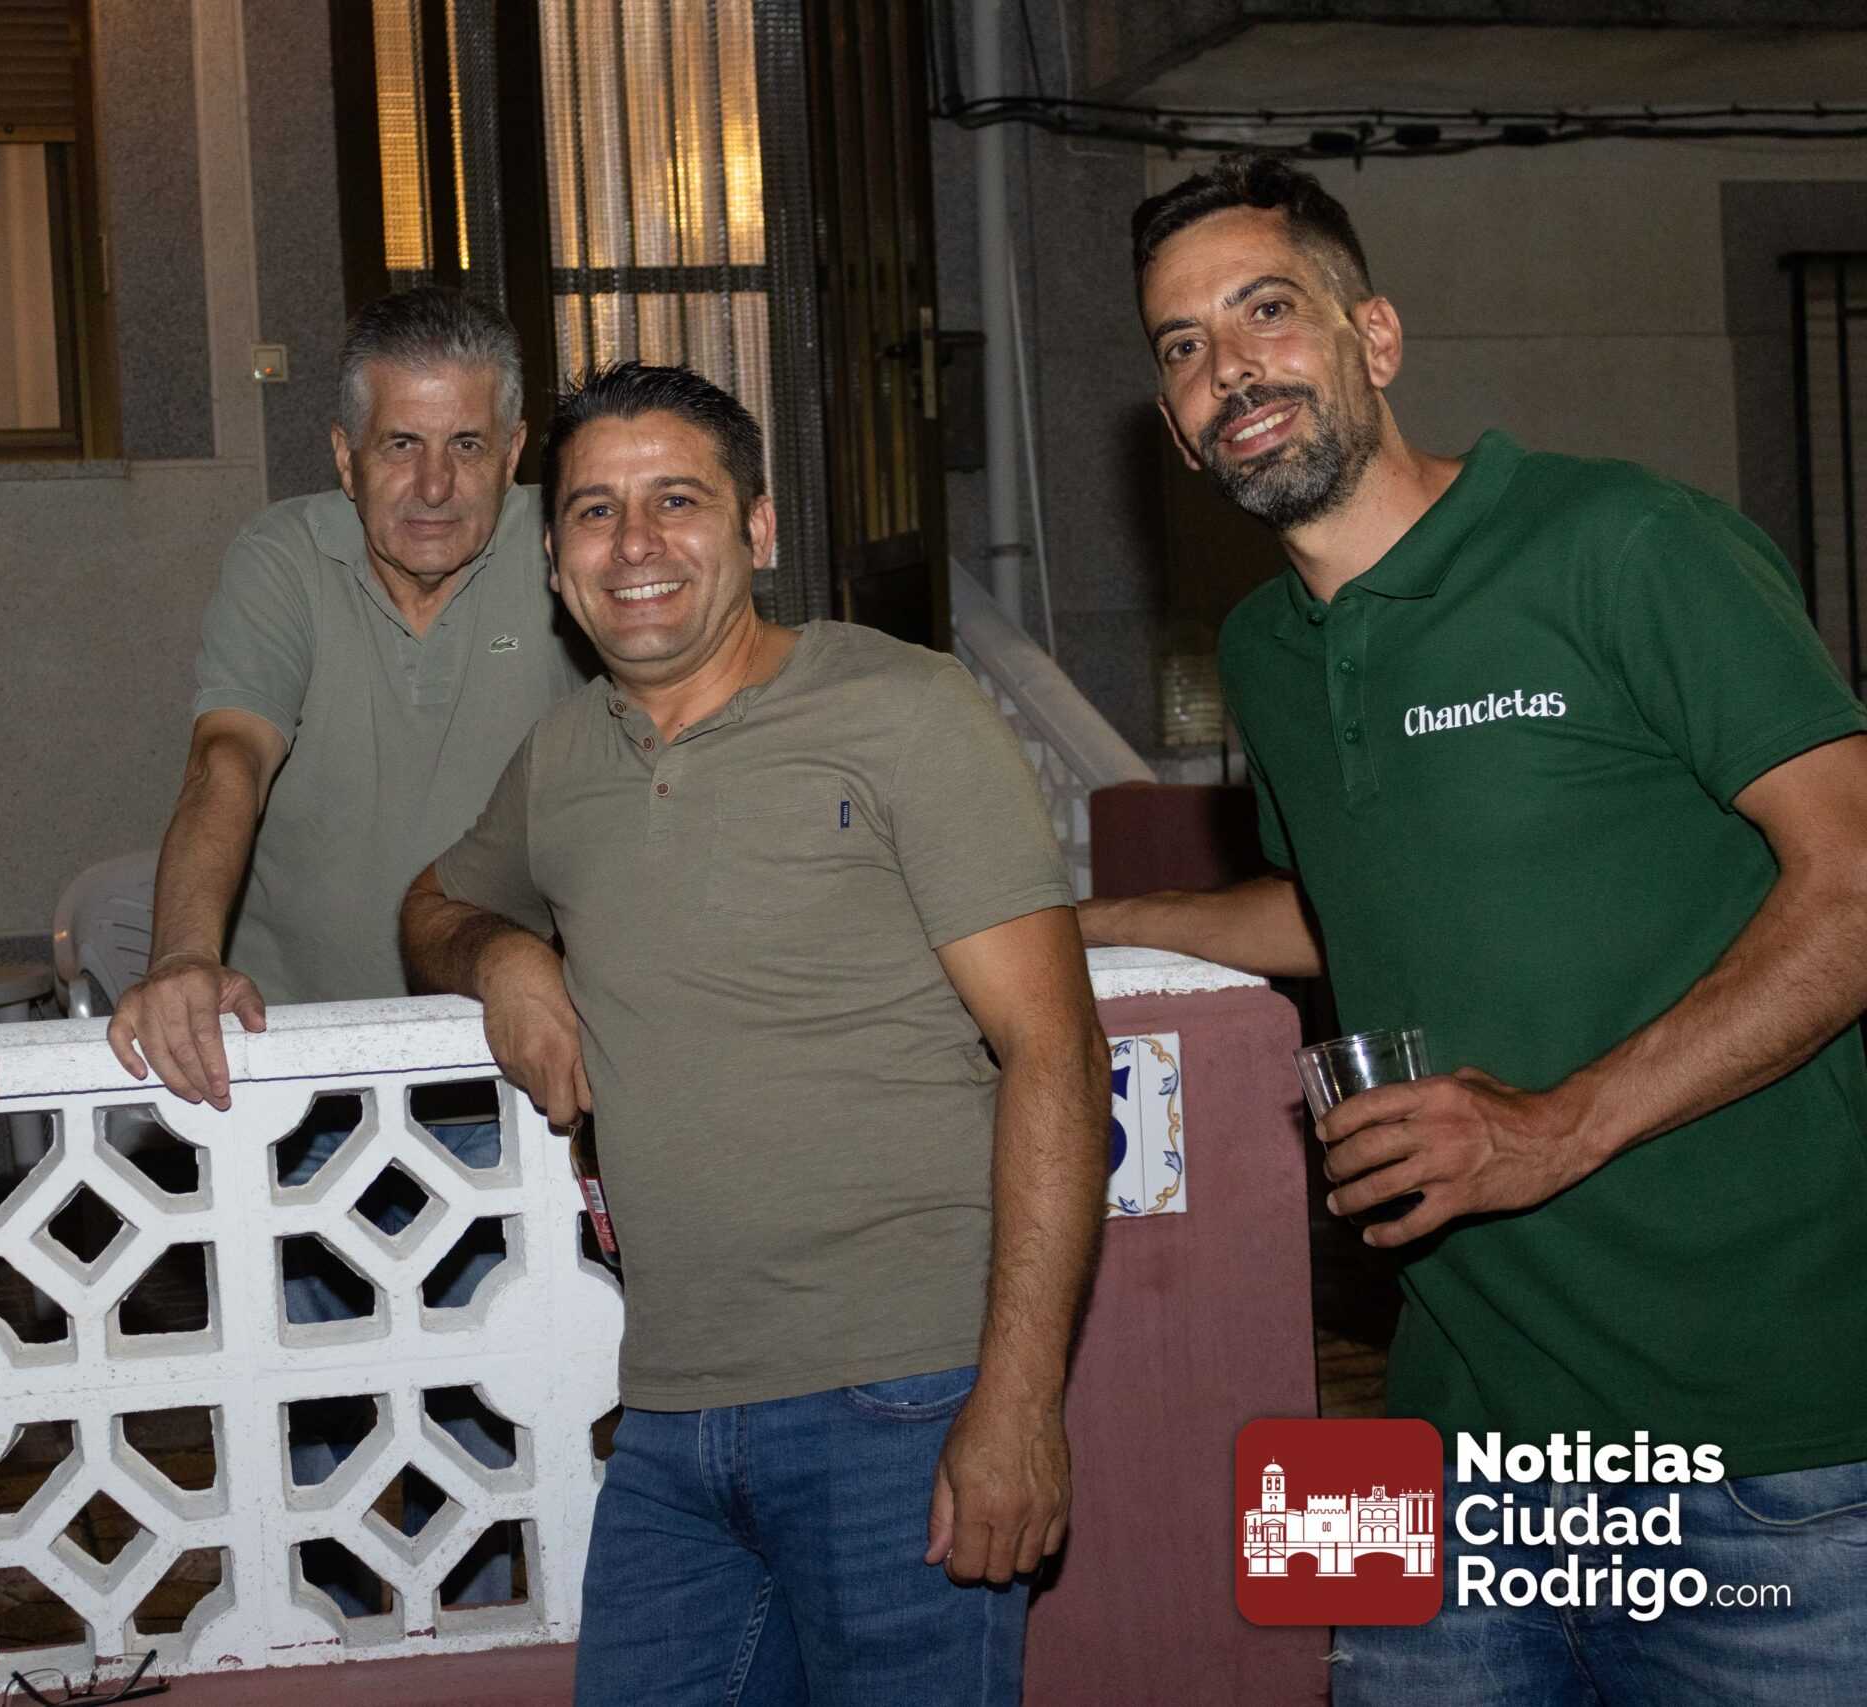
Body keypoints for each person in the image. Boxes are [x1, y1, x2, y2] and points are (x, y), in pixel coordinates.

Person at [1103, 154, 1867, 1703]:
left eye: (1267, 311)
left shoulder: (1625, 541)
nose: (1228, 366)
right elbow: (1346, 907)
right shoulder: (1263, 650)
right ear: (1173, 422)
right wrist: (1073, 927)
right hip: (1432, 1424)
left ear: (1375, 337)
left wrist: (1556, 1129)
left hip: (1759, 1451)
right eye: (1183, 344)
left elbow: (1853, 881)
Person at [399, 362, 1108, 1703]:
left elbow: (1055, 1050)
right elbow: (429, 904)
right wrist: (501, 955)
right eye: (596, 512)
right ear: (554, 562)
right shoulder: (562, 761)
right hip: (669, 1416)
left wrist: (1019, 1400)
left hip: (904, 1396)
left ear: (760, 529)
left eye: (678, 500)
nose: (636, 544)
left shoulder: (902, 710)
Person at [106, 287, 582, 1610]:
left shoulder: (571, 551)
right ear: (342, 454)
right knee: (312, 1444)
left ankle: (483, 1672)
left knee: (492, 1431)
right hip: (297, 1088)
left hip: (504, 1081)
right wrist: (182, 955)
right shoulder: (283, 557)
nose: (432, 486)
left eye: (468, 446)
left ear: (517, 450)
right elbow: (228, 759)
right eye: (399, 446)